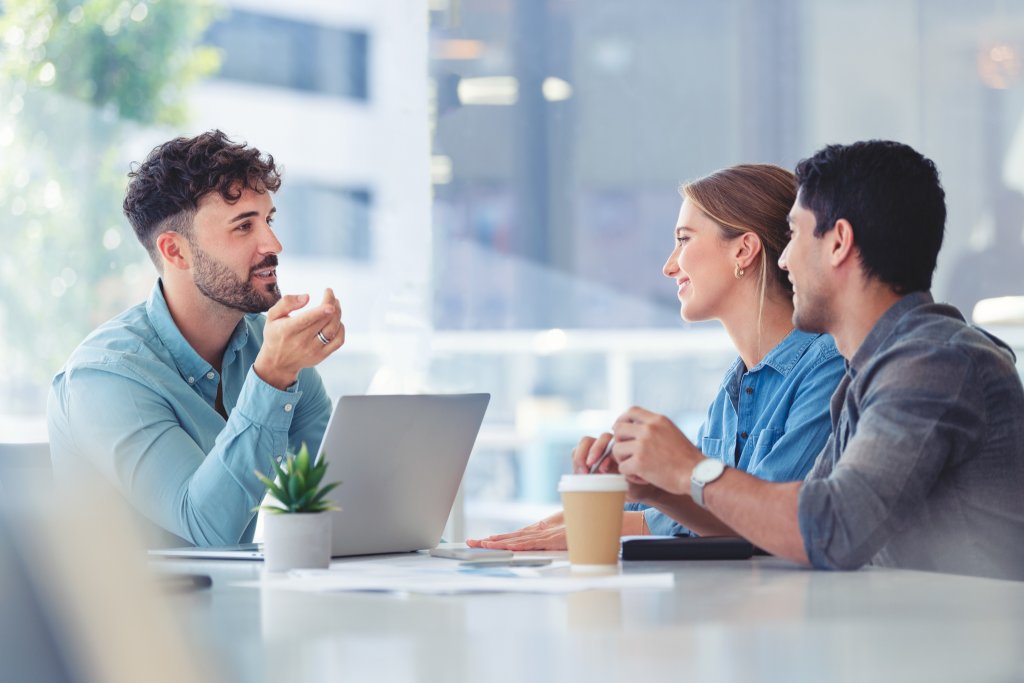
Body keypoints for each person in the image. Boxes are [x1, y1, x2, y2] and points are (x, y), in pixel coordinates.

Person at [601, 140, 1024, 580]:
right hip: (914, 635)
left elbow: (833, 528)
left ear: (839, 242)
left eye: (796, 234)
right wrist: (665, 487)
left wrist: (690, 468)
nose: (783, 258)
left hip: (967, 643)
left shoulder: (936, 362)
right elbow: (786, 522)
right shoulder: (869, 373)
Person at [469, 164, 845, 550]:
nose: (669, 266)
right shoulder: (735, 388)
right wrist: (633, 491)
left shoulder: (828, 367)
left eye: (684, 240)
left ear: (744, 250)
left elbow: (766, 523)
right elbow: (718, 512)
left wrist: (624, 521)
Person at [47, 130, 344, 548]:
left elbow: (338, 493)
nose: (273, 244)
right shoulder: (104, 378)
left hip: (237, 603)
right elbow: (206, 526)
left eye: (268, 220)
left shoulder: (269, 348)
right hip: (138, 612)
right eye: (244, 227)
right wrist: (272, 378)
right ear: (175, 252)